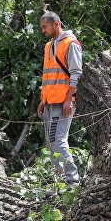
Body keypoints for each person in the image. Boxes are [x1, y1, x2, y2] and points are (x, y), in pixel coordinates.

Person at [37, 11, 82, 188]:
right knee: (51, 142)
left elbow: (76, 73)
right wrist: (43, 99)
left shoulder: (71, 43)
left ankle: (72, 181)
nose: (43, 30)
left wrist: (69, 99)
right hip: (49, 101)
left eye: (44, 27)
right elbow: (48, 77)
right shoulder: (49, 46)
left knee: (58, 140)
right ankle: (59, 184)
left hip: (63, 102)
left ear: (56, 24)